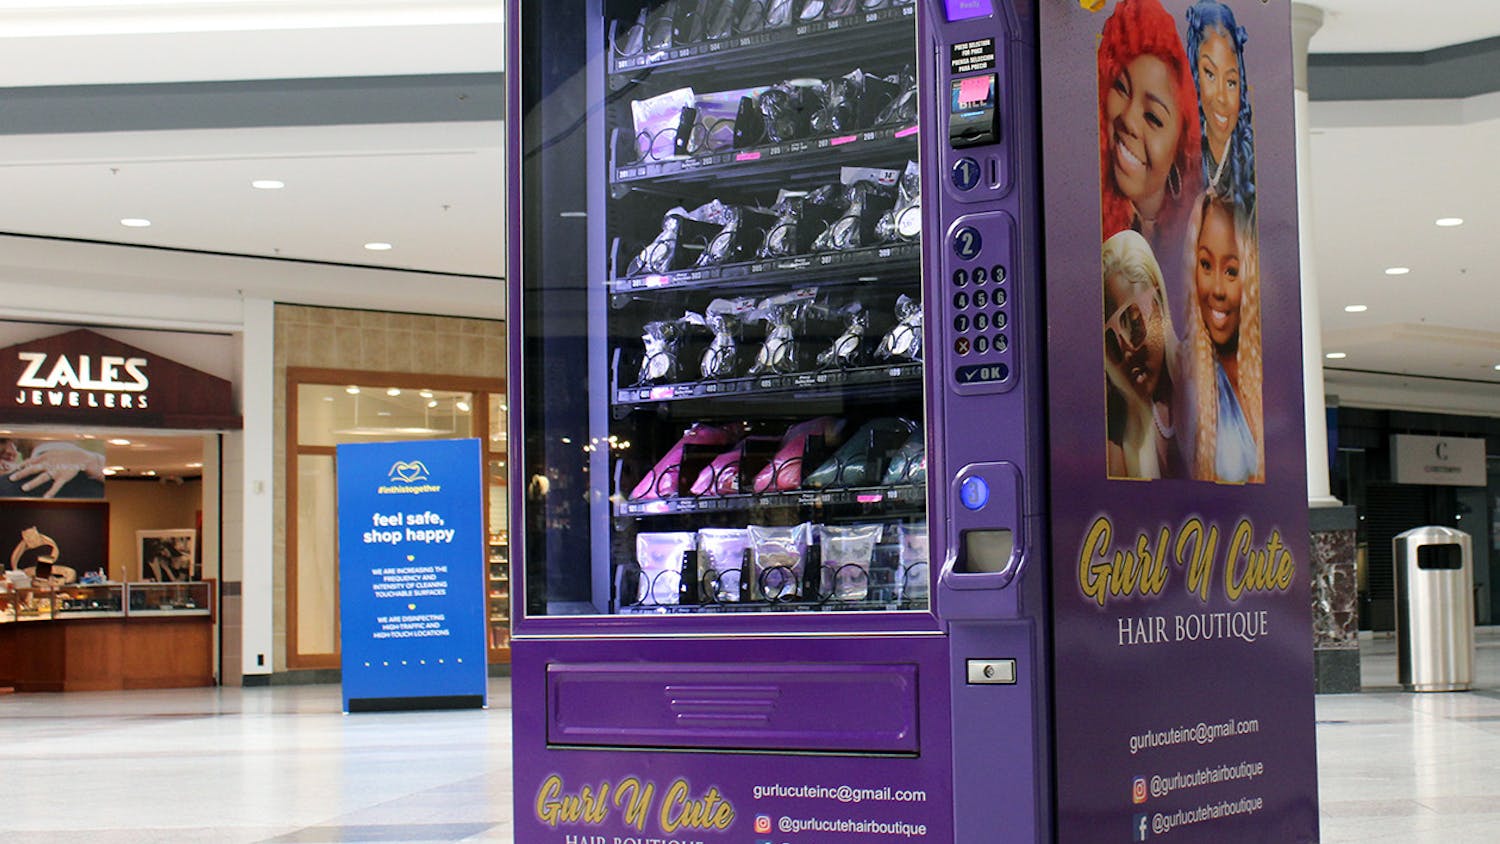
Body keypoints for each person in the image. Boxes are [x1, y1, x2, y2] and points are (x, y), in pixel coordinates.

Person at [1098, 0, 1202, 250]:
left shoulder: (1201, 235)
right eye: (1121, 88)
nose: (1129, 119)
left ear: (1180, 146)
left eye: (1153, 117)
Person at [1185, 191, 1263, 483]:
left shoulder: (1270, 376)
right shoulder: (1183, 377)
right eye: (1205, 265)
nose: (1216, 289)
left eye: (1231, 271)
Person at [1103, 229, 1186, 480]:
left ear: (1159, 303)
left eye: (1134, 323)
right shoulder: (1117, 438)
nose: (1128, 351)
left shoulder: (1202, 384)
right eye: (1111, 343)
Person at [1186, 0, 1256, 211]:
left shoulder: (1250, 164)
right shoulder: (1181, 161)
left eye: (1231, 82)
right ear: (1195, 76)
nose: (1222, 97)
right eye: (1209, 74)